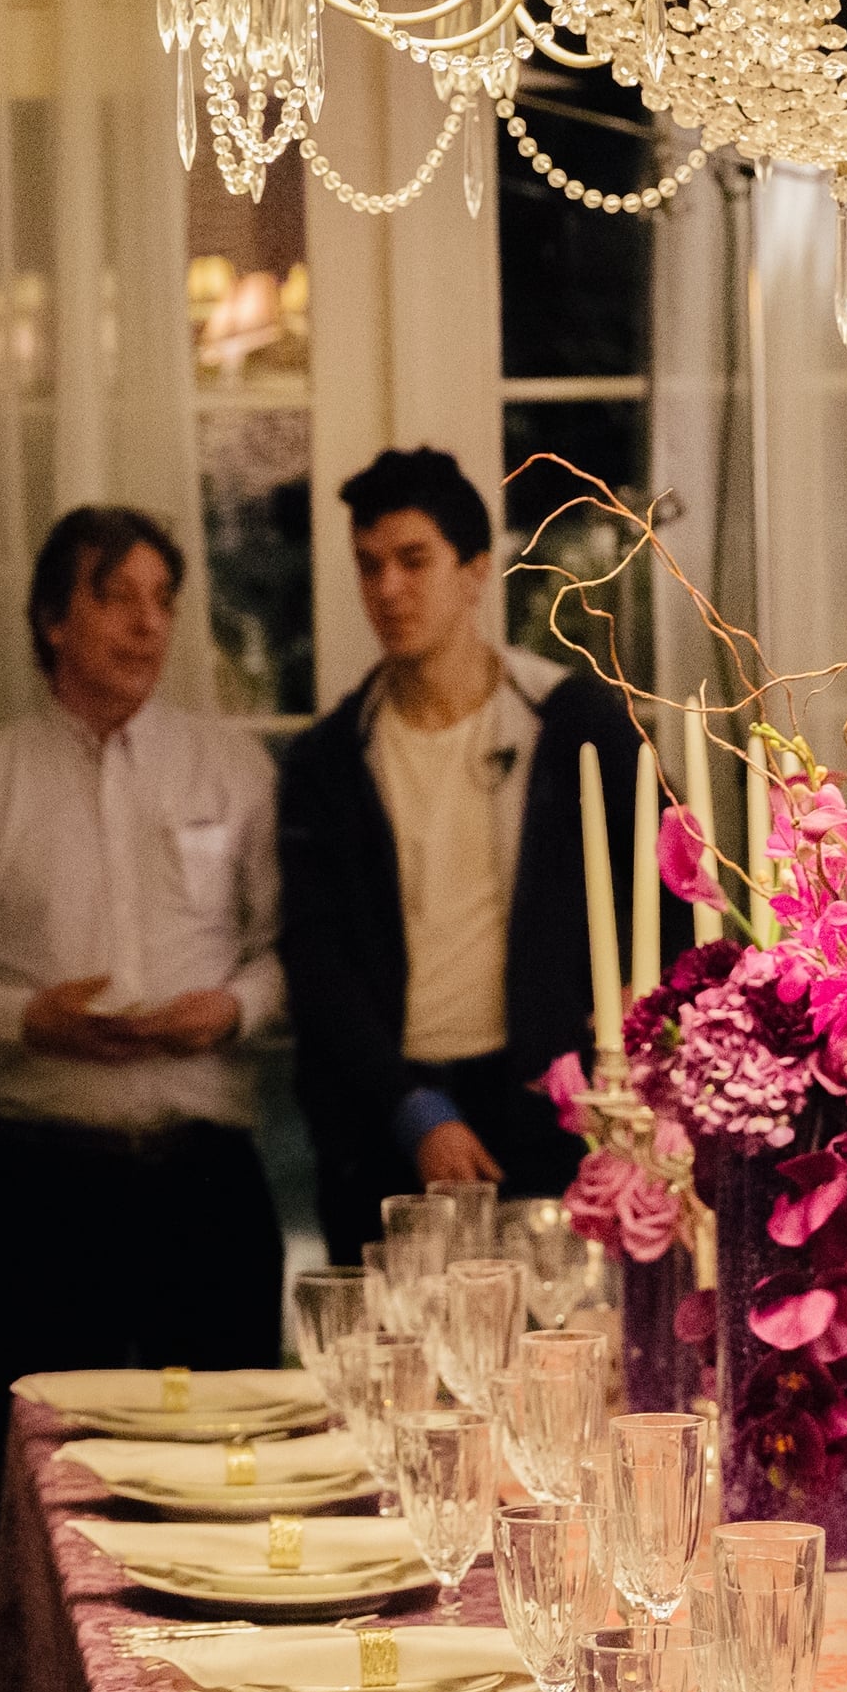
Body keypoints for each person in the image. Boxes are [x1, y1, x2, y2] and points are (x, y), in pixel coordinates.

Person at [0, 505, 289, 1495]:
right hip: (42, 1198)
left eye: (164, 600)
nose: (149, 625)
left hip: (207, 1192)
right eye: (117, 598)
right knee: (49, 1496)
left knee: (228, 1492)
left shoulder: (234, 772)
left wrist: (232, 1009)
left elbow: (291, 955)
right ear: (54, 620)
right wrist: (26, 1020)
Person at [277, 447, 657, 1261]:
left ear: (477, 570)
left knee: (563, 1329)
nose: (388, 588)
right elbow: (316, 961)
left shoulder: (574, 722)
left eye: (414, 560)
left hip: (552, 1108)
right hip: (388, 1113)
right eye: (369, 565)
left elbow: (670, 890)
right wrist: (410, 1109)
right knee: (398, 1335)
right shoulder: (328, 760)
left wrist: (630, 1016)